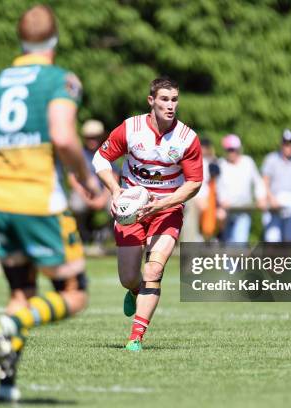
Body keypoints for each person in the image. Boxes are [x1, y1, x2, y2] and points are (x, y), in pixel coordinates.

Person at [0, 5, 97, 402]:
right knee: (75, 292)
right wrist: (87, 181)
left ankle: (6, 387)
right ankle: (10, 323)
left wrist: (0, 161)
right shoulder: (59, 80)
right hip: (38, 201)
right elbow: (64, 136)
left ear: (20, 40)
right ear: (55, 40)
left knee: (22, 290)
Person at [92, 77, 203, 352]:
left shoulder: (187, 138)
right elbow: (100, 159)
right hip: (131, 209)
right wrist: (116, 191)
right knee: (129, 277)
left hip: (167, 210)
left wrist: (161, 204)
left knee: (154, 269)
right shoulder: (131, 128)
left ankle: (136, 337)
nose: (170, 105)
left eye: (174, 100)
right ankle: (133, 291)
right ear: (151, 101)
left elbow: (194, 183)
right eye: (164, 99)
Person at [67, 119, 114, 246]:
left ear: (101, 137)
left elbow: (114, 177)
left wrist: (103, 199)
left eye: (95, 137)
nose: (92, 139)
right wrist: (85, 197)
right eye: (89, 137)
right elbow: (72, 178)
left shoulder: (109, 153)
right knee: (76, 205)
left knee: (118, 206)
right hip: (84, 193)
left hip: (106, 191)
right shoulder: (78, 154)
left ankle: (109, 235)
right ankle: (82, 236)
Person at [261, 130, 291, 242]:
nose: (288, 147)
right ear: (281, 144)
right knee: (272, 241)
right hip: (273, 208)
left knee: (288, 241)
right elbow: (264, 182)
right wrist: (270, 198)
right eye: (285, 144)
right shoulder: (271, 159)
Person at [216, 134, 265, 245]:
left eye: (234, 149)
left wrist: (260, 197)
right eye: (229, 150)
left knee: (239, 244)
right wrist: (222, 200)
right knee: (228, 245)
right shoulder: (221, 164)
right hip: (226, 212)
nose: (232, 152)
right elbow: (217, 187)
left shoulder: (248, 162)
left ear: (239, 149)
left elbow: (258, 182)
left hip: (243, 210)